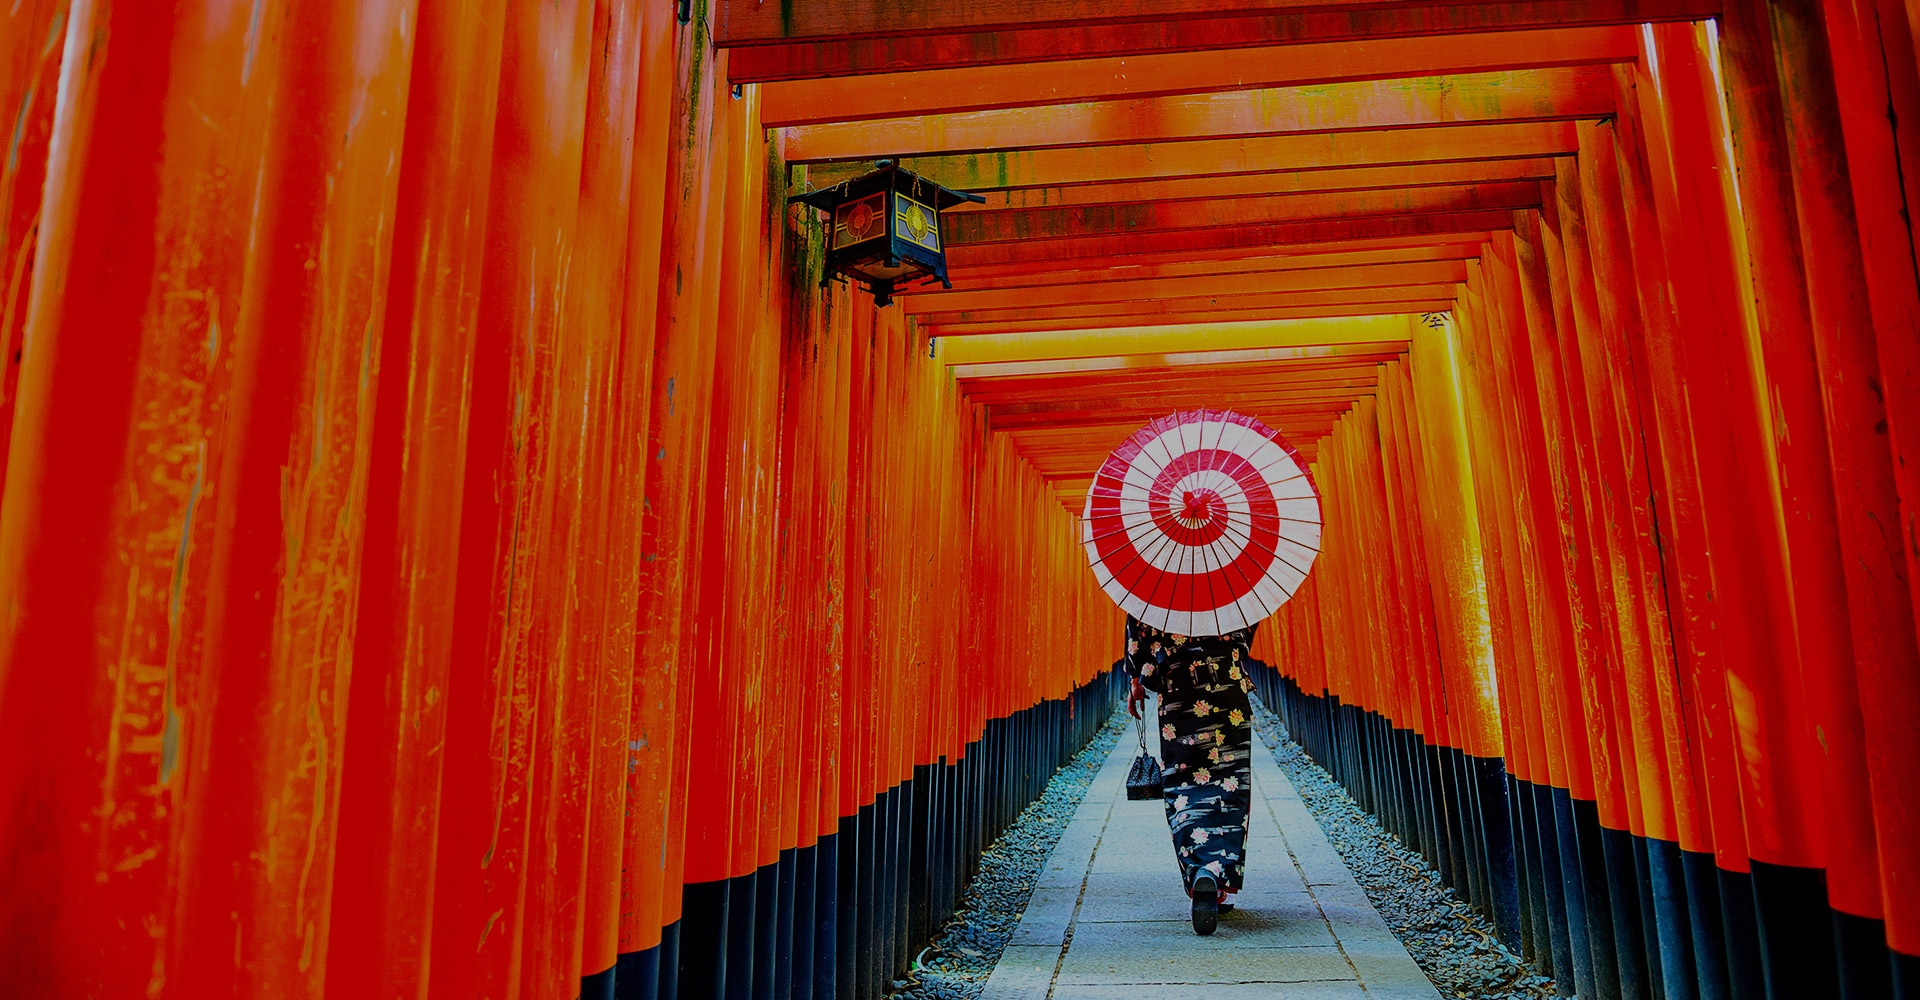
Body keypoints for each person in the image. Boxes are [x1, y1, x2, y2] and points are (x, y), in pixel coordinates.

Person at [1124, 614, 1259, 936]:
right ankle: (1220, 872)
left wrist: (1139, 679)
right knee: (1230, 783)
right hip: (1228, 692)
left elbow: (1138, 648)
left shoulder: (1153, 588)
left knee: (1183, 784)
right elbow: (1247, 627)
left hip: (1178, 694)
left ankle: (1200, 867)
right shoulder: (1231, 581)